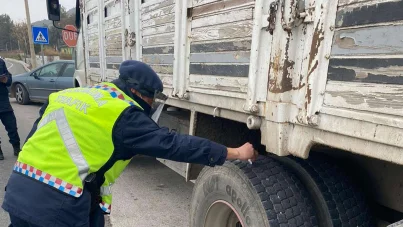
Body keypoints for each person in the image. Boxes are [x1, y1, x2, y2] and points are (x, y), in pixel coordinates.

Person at [2, 60, 258, 227]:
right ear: (136, 93)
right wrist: (235, 151)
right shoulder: (124, 115)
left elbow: (32, 140)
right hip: (57, 210)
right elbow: (174, 144)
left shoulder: (66, 96)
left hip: (18, 193)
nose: (151, 106)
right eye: (151, 100)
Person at [0, 58, 21, 160]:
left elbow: (9, 79)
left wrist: (6, 80)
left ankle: (16, 148)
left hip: (3, 102)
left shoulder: (1, 62)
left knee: (12, 126)